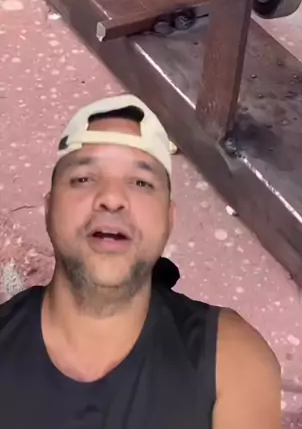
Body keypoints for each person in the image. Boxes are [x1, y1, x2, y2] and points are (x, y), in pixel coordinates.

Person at [0, 94, 281, 428]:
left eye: (141, 183)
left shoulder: (230, 360)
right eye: (84, 178)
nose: (112, 198)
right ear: (49, 210)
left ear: (168, 220)